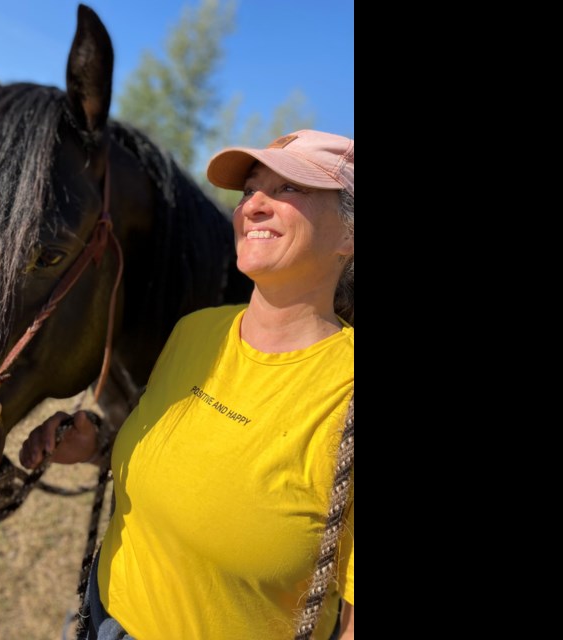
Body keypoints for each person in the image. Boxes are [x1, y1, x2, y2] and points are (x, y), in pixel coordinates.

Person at [20, 129, 354, 640]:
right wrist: (101, 447)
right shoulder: (197, 331)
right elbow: (188, 465)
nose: (254, 206)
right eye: (249, 191)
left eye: (290, 189)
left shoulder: (344, 389)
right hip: (99, 619)